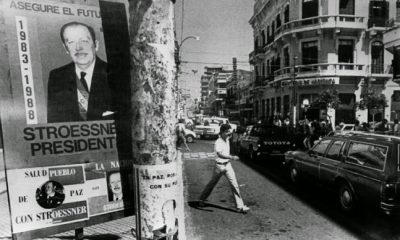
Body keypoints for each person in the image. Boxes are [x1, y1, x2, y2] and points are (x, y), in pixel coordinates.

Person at [47, 21, 113, 123]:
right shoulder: (57, 76)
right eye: (71, 42)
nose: (78, 47)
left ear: (96, 45)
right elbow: (54, 123)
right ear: (66, 48)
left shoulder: (116, 74)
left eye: (84, 41)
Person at [198, 124, 250, 213]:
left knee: (234, 184)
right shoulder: (218, 142)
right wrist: (231, 157)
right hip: (219, 166)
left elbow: (235, 136)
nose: (228, 134)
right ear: (222, 132)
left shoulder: (227, 140)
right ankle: (201, 199)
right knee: (212, 184)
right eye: (227, 132)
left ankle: (240, 206)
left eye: (229, 132)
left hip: (227, 165)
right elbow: (219, 154)